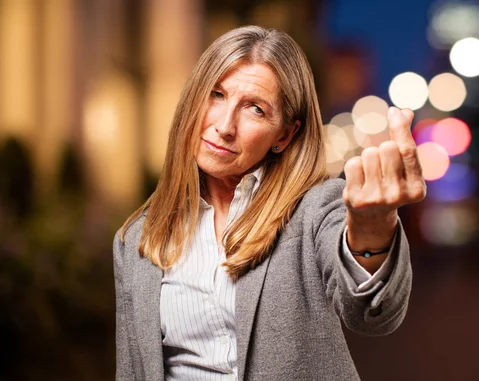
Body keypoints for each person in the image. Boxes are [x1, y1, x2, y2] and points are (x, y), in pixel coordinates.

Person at [113, 25, 425, 381]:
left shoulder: (316, 211)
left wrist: (372, 231)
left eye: (255, 109)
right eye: (216, 94)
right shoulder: (137, 240)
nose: (224, 125)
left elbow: (373, 313)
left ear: (284, 134)